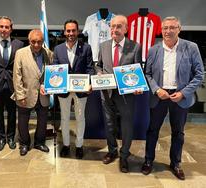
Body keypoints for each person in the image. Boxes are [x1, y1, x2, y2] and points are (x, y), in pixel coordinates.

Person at [141, 16, 204, 180]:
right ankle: (148, 161)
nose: (168, 31)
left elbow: (199, 75)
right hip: (159, 96)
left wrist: (184, 93)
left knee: (178, 132)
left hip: (180, 96)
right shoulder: (153, 49)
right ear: (161, 30)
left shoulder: (191, 47)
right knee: (152, 131)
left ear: (179, 29)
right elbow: (147, 74)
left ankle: (176, 163)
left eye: (172, 27)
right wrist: (156, 90)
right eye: (165, 28)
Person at [96, 15, 142, 173]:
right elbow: (98, 65)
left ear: (126, 29)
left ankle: (124, 156)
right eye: (112, 26)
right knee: (109, 124)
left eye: (118, 26)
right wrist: (99, 73)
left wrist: (138, 85)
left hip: (126, 94)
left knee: (126, 125)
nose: (114, 29)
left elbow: (138, 70)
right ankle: (112, 150)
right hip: (107, 93)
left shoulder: (135, 46)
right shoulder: (103, 45)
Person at [53, 19, 95, 159]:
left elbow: (90, 68)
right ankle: (65, 145)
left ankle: (79, 145)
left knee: (80, 118)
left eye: (73, 30)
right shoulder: (58, 49)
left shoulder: (86, 48)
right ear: (64, 32)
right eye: (68, 30)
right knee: (64, 119)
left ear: (78, 31)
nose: (71, 33)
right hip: (63, 91)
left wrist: (89, 83)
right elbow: (55, 70)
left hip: (81, 90)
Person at [0, 16, 24, 151]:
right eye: (1, 26)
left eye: (7, 27)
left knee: (13, 113)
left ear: (11, 29)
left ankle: (11, 137)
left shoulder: (19, 44)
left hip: (13, 85)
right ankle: (1, 138)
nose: (4, 29)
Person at [12, 29, 53, 156]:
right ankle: (24, 144)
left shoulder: (49, 53)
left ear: (43, 41)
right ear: (29, 41)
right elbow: (16, 75)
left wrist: (47, 85)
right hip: (25, 94)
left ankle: (39, 142)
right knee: (23, 122)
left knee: (42, 121)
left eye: (39, 42)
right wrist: (20, 95)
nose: (36, 45)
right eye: (33, 42)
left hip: (43, 94)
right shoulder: (20, 53)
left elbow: (51, 74)